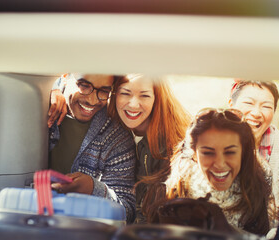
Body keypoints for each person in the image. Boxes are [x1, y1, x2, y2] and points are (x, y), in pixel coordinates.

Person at [140, 108, 277, 235]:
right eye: (208, 153)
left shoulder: (258, 187)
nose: (219, 164)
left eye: (230, 152)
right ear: (194, 153)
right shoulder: (170, 194)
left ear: (244, 152)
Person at [48, 73, 137, 223]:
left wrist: (93, 189)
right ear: (65, 77)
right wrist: (51, 89)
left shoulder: (118, 139)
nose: (92, 100)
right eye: (84, 86)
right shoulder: (41, 105)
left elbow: (126, 212)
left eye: (104, 91)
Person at [107, 74, 191, 223]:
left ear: (156, 98)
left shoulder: (171, 146)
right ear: (113, 94)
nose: (133, 104)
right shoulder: (111, 129)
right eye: (125, 93)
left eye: (144, 96)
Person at [229, 79, 279, 207]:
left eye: (267, 106)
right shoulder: (211, 141)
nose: (256, 113)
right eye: (248, 103)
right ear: (231, 105)